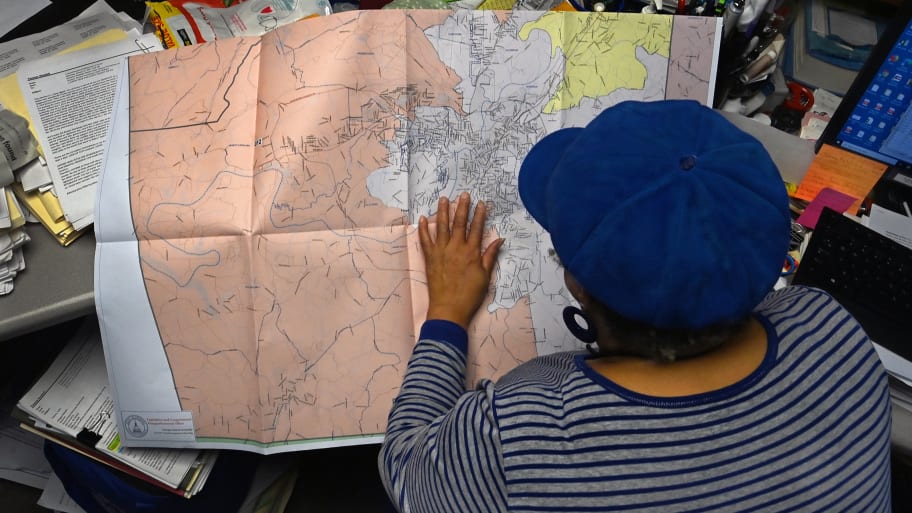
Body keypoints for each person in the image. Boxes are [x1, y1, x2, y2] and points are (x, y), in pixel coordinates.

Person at [378, 100, 892, 512]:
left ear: (579, 283)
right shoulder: (830, 329)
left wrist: (445, 312)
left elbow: (405, 466)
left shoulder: (514, 436)